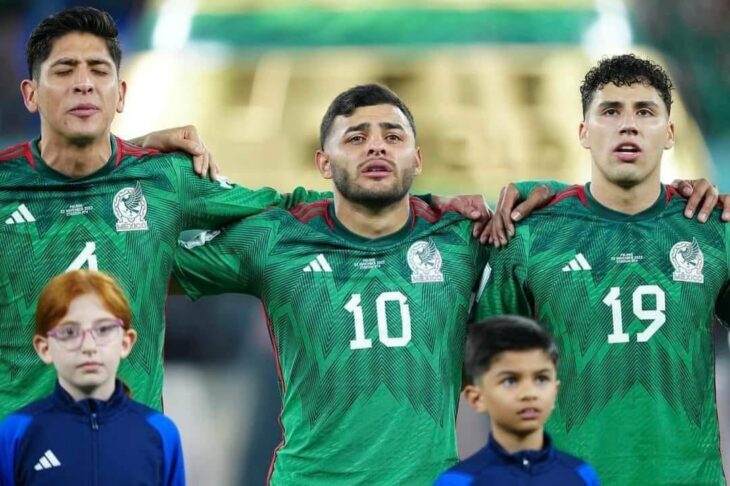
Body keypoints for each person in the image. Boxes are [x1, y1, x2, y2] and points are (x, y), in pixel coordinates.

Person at [0, 6, 340, 420]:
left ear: (121, 93)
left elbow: (285, 206)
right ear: (30, 93)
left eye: (98, 71)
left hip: (133, 445)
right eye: (65, 70)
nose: (84, 84)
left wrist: (414, 212)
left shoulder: (164, 177)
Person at [172, 84, 494, 485]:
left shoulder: (462, 234)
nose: (376, 147)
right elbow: (145, 265)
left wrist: (531, 192)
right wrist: (140, 160)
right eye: (356, 138)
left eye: (393, 137)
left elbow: (560, 220)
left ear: (417, 159)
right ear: (324, 163)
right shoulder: (277, 236)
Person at [476, 54, 730, 485]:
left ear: (670, 133)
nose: (627, 125)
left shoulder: (713, 232)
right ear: (583, 132)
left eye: (645, 112)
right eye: (610, 111)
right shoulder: (529, 236)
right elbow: (488, 371)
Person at [0, 270, 185, 485]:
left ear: (126, 342)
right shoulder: (16, 433)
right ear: (44, 348)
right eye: (69, 332)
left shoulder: (160, 433)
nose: (88, 347)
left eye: (104, 329)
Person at [434, 316, 600, 486]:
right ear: (477, 398)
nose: (529, 393)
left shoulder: (582, 475)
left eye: (541, 379)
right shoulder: (457, 481)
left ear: (555, 391)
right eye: (510, 381)